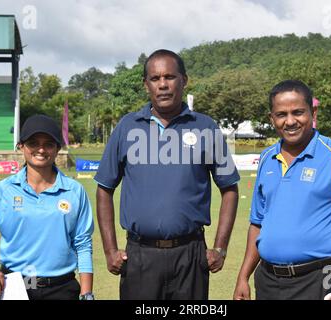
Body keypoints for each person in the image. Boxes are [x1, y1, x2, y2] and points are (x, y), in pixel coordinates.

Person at [95, 49, 240, 300]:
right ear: (146, 84)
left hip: (190, 255)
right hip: (140, 256)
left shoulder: (205, 127)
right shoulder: (127, 127)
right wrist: (110, 250)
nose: (163, 84)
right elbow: (104, 189)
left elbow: (229, 188)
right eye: (155, 78)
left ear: (184, 80)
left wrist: (220, 247)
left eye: (170, 77)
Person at [233, 80, 331, 300]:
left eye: (298, 112)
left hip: (320, 277)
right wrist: (243, 277)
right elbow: (257, 224)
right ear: (272, 118)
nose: (290, 121)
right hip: (268, 279)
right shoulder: (266, 158)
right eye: (281, 114)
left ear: (313, 112)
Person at [0, 114, 94, 300]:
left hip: (62, 289)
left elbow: (83, 244)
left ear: (57, 148)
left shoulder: (74, 191)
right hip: (12, 287)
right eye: (33, 143)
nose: (41, 149)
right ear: (21, 146)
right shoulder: (2, 190)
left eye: (49, 144)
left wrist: (87, 294)